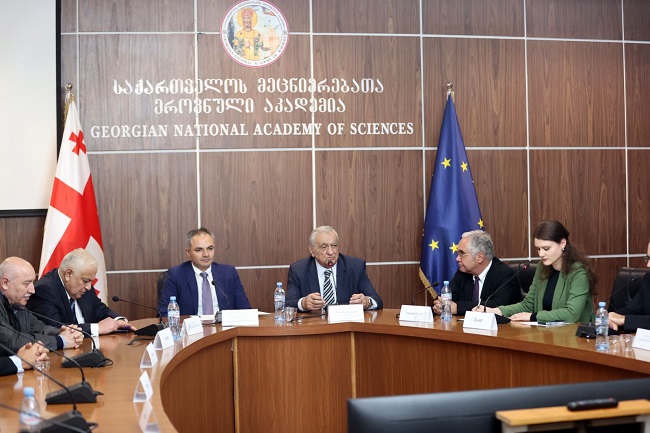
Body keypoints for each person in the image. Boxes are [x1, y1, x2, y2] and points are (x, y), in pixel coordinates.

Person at [480, 220, 596, 323]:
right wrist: (497, 311)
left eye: (546, 248)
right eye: (538, 249)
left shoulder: (578, 272)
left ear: (562, 244)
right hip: (545, 334)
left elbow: (571, 314)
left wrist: (533, 316)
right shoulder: (542, 267)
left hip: (573, 336)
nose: (541, 254)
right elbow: (528, 305)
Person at [28, 248, 135, 336]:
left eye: (91, 281)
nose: (89, 287)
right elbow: (56, 328)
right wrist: (97, 328)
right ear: (68, 274)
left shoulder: (82, 284)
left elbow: (98, 308)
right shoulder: (44, 290)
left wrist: (118, 320)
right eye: (86, 281)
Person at [286, 226, 383, 311]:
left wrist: (367, 302)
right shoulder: (298, 270)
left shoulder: (355, 267)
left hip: (345, 324)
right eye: (324, 247)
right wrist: (303, 303)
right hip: (314, 324)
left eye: (334, 246)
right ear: (312, 250)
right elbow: (287, 304)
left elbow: (377, 301)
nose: (331, 252)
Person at [158, 228, 251, 316]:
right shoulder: (176, 275)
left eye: (210, 248)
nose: (206, 254)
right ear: (188, 252)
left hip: (223, 326)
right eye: (199, 250)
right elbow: (164, 314)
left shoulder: (229, 273)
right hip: (192, 327)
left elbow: (245, 310)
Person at [0, 257, 83, 353]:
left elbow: (40, 328)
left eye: (33, 282)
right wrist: (61, 341)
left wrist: (62, 333)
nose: (32, 290)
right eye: (26, 283)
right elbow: (12, 341)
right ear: (5, 283)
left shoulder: (17, 304)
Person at [433, 230, 521, 316]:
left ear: (479, 257)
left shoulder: (505, 275)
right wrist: (440, 304)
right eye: (457, 253)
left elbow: (497, 306)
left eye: (462, 254)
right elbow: (446, 297)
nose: (457, 259)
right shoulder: (463, 272)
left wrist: (458, 308)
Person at [608, 242, 650, 332]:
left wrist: (624, 320)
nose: (648, 265)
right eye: (648, 258)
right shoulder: (648, 279)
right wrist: (612, 317)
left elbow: (625, 319)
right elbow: (632, 310)